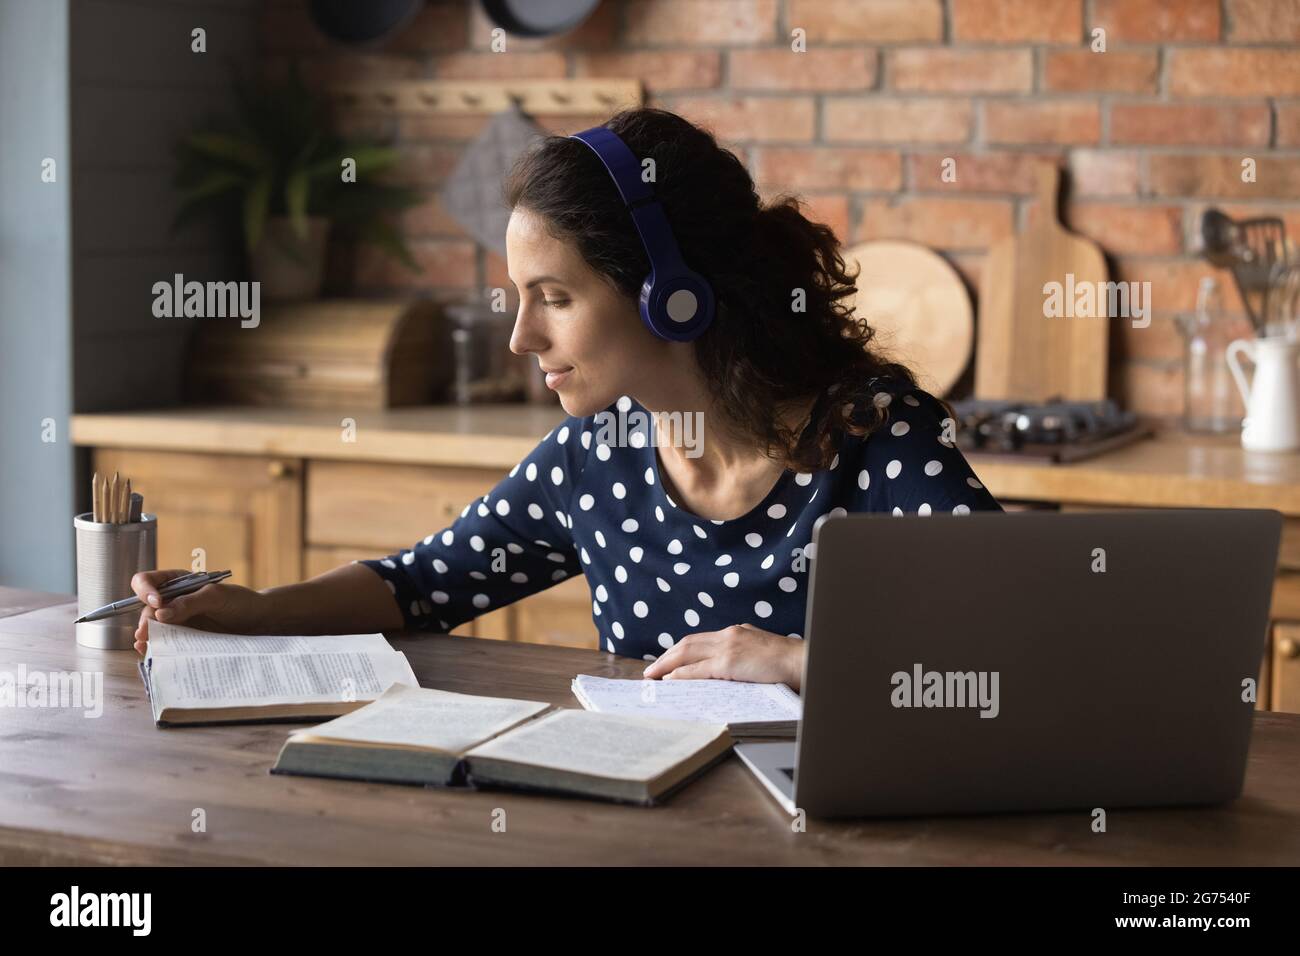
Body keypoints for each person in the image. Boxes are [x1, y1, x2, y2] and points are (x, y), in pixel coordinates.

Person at [130, 107, 1003, 691]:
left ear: (673, 294)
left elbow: (1019, 639)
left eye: (554, 297)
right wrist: (257, 611)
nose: (521, 339)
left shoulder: (871, 434)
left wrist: (800, 661)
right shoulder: (599, 460)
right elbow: (421, 584)